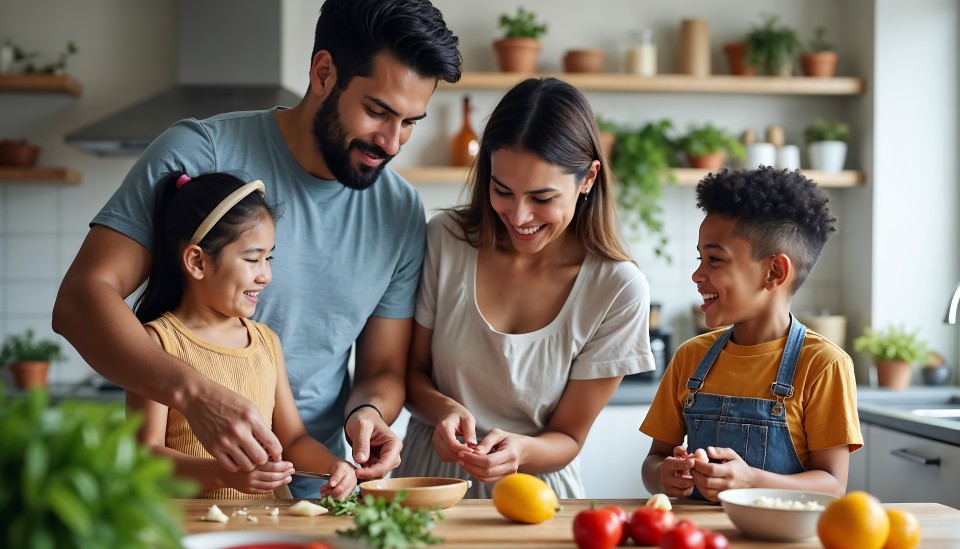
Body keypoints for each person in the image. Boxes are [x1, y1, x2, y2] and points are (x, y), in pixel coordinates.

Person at [51, 0, 461, 497]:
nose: (393, 143)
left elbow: (381, 369)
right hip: (187, 499)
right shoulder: (199, 152)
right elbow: (81, 299)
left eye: (410, 121)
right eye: (377, 111)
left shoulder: (398, 210)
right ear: (324, 73)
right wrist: (195, 395)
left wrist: (370, 414)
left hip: (311, 488)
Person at [395, 77, 656, 499]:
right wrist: (444, 409)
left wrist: (522, 450)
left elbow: (568, 438)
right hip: (431, 483)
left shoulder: (618, 289)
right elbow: (411, 373)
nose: (518, 216)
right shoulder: (447, 239)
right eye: (502, 190)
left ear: (587, 178)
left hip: (532, 496)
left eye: (541, 197)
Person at [128, 172, 357, 500]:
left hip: (268, 529)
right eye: (252, 259)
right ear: (197, 261)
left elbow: (293, 441)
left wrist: (336, 465)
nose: (266, 275)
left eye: (269, 258)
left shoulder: (266, 342)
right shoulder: (157, 344)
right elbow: (145, 456)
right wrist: (224, 475)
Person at [640, 167, 863, 502]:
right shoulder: (691, 356)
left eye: (714, 259)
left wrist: (751, 481)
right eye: (700, 258)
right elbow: (652, 461)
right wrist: (663, 474)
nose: (697, 274)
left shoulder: (823, 364)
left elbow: (832, 484)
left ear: (774, 272)